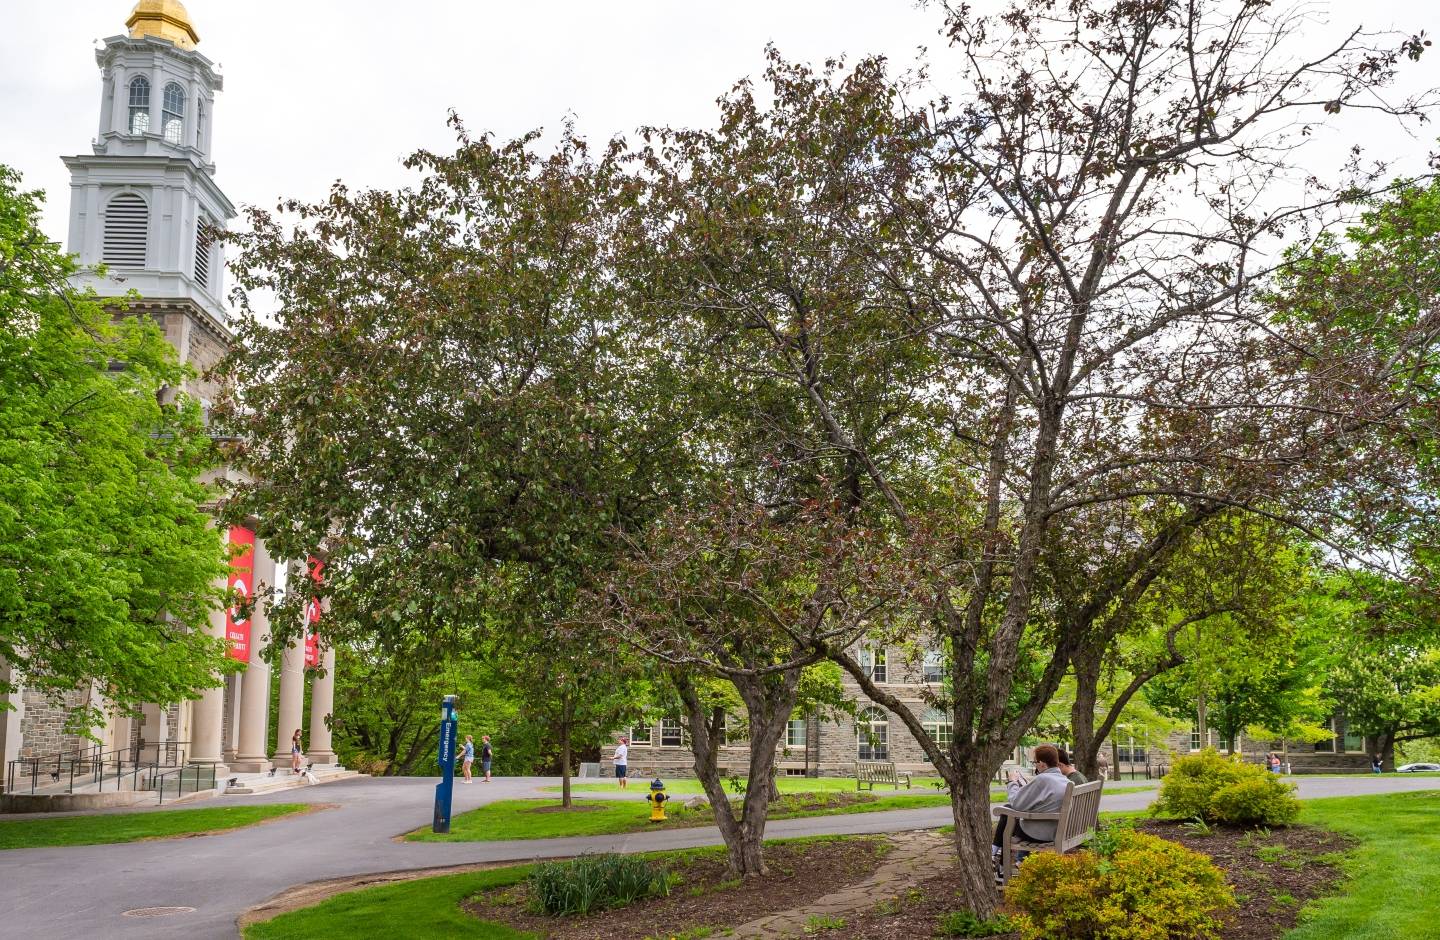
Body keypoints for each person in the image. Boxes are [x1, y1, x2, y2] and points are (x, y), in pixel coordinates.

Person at [993, 745, 1069, 882]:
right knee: (1008, 811)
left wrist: (1012, 782)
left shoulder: (1043, 779)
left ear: (1042, 763)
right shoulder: (1065, 780)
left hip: (1040, 833)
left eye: (1034, 762)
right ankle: (997, 861)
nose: (1035, 765)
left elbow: (1016, 803)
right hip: (1057, 830)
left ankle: (994, 858)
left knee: (1007, 811)